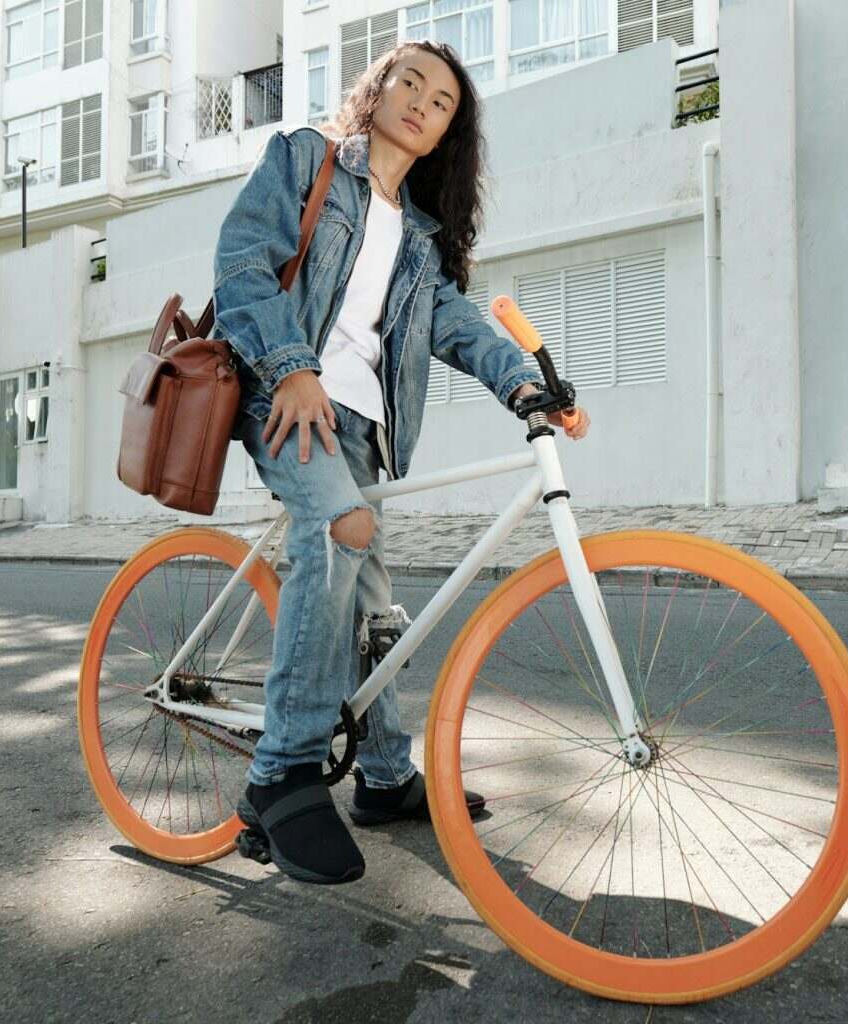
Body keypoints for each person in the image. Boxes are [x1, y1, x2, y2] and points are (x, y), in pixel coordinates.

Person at [212, 40, 591, 885]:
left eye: (442, 101)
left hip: (364, 429)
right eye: (409, 82)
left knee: (376, 614)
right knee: (339, 530)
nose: (422, 102)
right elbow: (241, 265)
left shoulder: (418, 237)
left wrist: (526, 386)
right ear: (377, 91)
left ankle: (383, 777)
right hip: (284, 395)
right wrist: (292, 368)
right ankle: (281, 774)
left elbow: (456, 325)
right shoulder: (304, 159)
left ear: (448, 132)